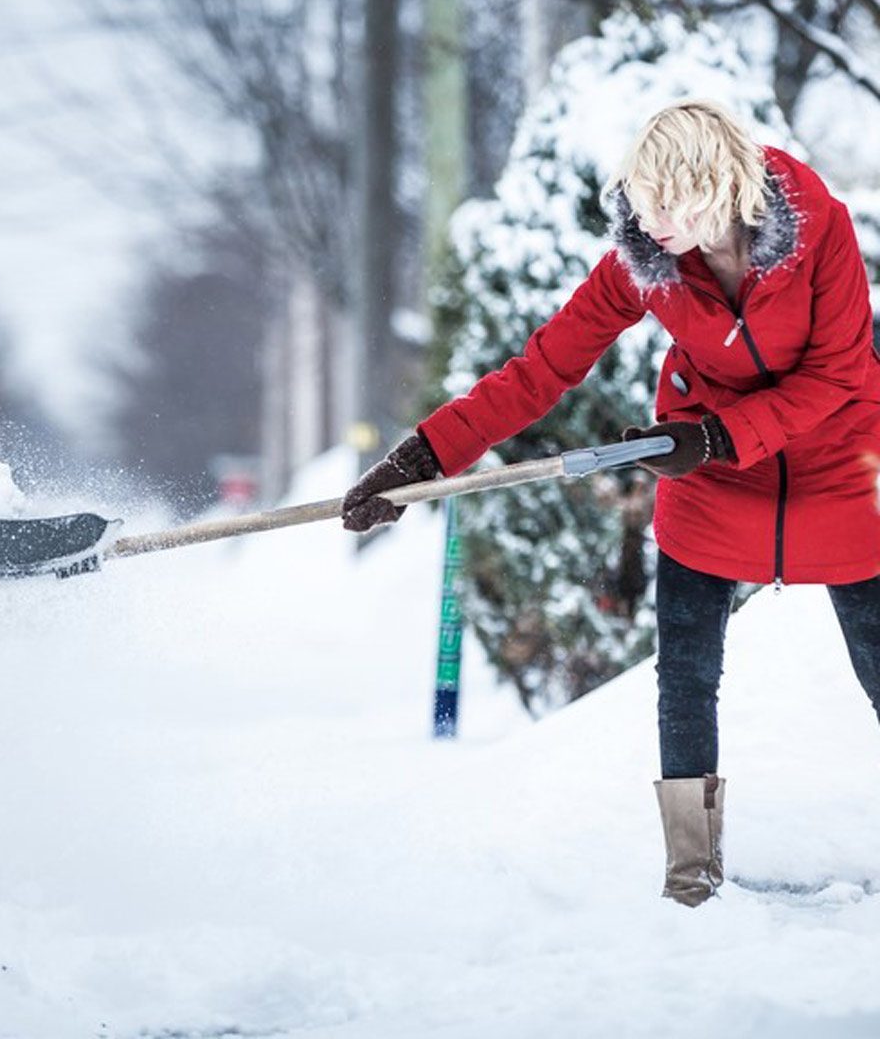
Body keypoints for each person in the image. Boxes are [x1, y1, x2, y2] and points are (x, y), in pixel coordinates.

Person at [341, 99, 880, 907]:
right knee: (686, 673)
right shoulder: (646, 257)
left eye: (664, 203)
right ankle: (692, 877)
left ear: (712, 189)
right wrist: (421, 460)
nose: (645, 221)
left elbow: (838, 372)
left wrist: (718, 437)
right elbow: (541, 369)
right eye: (640, 200)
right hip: (708, 466)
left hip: (837, 458)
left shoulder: (817, 226)